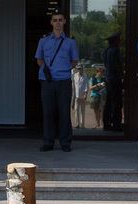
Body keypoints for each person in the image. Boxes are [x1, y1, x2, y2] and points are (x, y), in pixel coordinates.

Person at [35, 9, 79, 152]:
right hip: (47, 81)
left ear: (64, 21)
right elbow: (39, 59)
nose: (58, 23)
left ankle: (65, 143)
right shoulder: (43, 41)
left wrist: (64, 70)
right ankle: (48, 142)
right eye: (55, 20)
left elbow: (74, 61)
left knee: (64, 112)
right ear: (51, 22)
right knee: (48, 112)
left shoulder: (70, 42)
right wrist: (47, 70)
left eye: (60, 20)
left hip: (64, 81)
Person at [103, 32, 123, 131]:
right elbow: (118, 66)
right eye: (118, 40)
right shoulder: (116, 51)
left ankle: (106, 123)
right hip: (115, 79)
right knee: (117, 103)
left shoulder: (106, 51)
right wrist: (122, 77)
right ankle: (116, 124)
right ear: (115, 41)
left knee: (108, 102)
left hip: (108, 79)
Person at [73, 64, 89, 128]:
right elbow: (74, 86)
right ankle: (77, 124)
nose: (79, 70)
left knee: (82, 110)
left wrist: (86, 94)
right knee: (76, 110)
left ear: (83, 69)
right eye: (78, 69)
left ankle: (82, 125)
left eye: (80, 68)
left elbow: (86, 86)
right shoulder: (75, 75)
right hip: (76, 95)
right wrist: (73, 96)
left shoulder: (85, 76)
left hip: (83, 95)